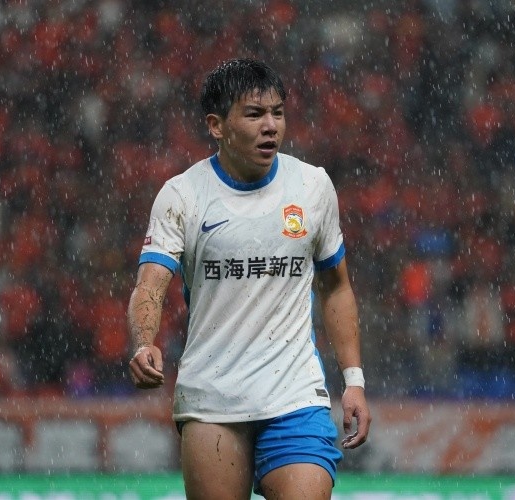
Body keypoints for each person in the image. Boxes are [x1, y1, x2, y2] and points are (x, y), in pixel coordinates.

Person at [127, 58, 371, 499]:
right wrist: (144, 342)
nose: (271, 126)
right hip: (212, 397)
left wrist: (353, 380)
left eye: (277, 112)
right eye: (255, 114)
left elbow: (336, 286)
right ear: (217, 125)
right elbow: (150, 284)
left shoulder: (312, 187)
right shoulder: (182, 195)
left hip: (295, 394)